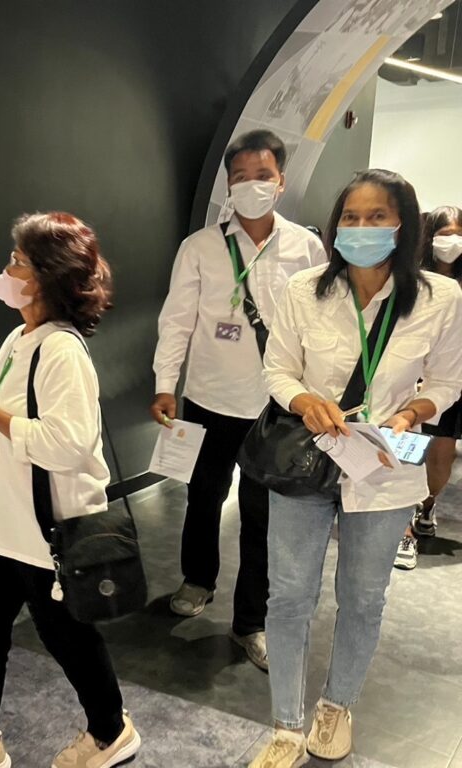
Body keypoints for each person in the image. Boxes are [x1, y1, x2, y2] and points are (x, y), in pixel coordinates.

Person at [249, 170, 462, 768]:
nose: (361, 228)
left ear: (404, 225)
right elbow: (277, 369)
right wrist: (303, 400)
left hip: (387, 461)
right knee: (289, 595)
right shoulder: (304, 289)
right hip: (307, 456)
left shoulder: (442, 298)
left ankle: (336, 706)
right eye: (351, 216)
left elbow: (448, 381)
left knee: (364, 598)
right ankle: (285, 725)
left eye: (377, 217)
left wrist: (414, 412)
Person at [0, 212, 139, 768]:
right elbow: (10, 419)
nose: (6, 270)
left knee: (69, 641)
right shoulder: (20, 337)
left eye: (17, 262)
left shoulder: (63, 351)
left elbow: (66, 445)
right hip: (0, 525)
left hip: (46, 534)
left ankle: (111, 732)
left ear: (45, 277)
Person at [151, 129, 326, 670]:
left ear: (281, 181)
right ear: (229, 184)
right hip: (207, 398)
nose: (252, 185)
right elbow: (176, 322)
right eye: (241, 176)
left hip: (273, 407)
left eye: (262, 175)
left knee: (260, 514)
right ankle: (197, 580)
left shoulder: (306, 248)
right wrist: (164, 384)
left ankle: (251, 621)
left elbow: (317, 325)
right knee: (203, 497)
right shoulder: (200, 247)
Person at [394, 205, 462, 569]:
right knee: (406, 454)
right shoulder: (411, 280)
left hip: (452, 383)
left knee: (440, 459)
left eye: (458, 235)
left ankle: (426, 506)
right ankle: (403, 530)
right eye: (444, 234)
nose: (452, 242)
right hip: (412, 380)